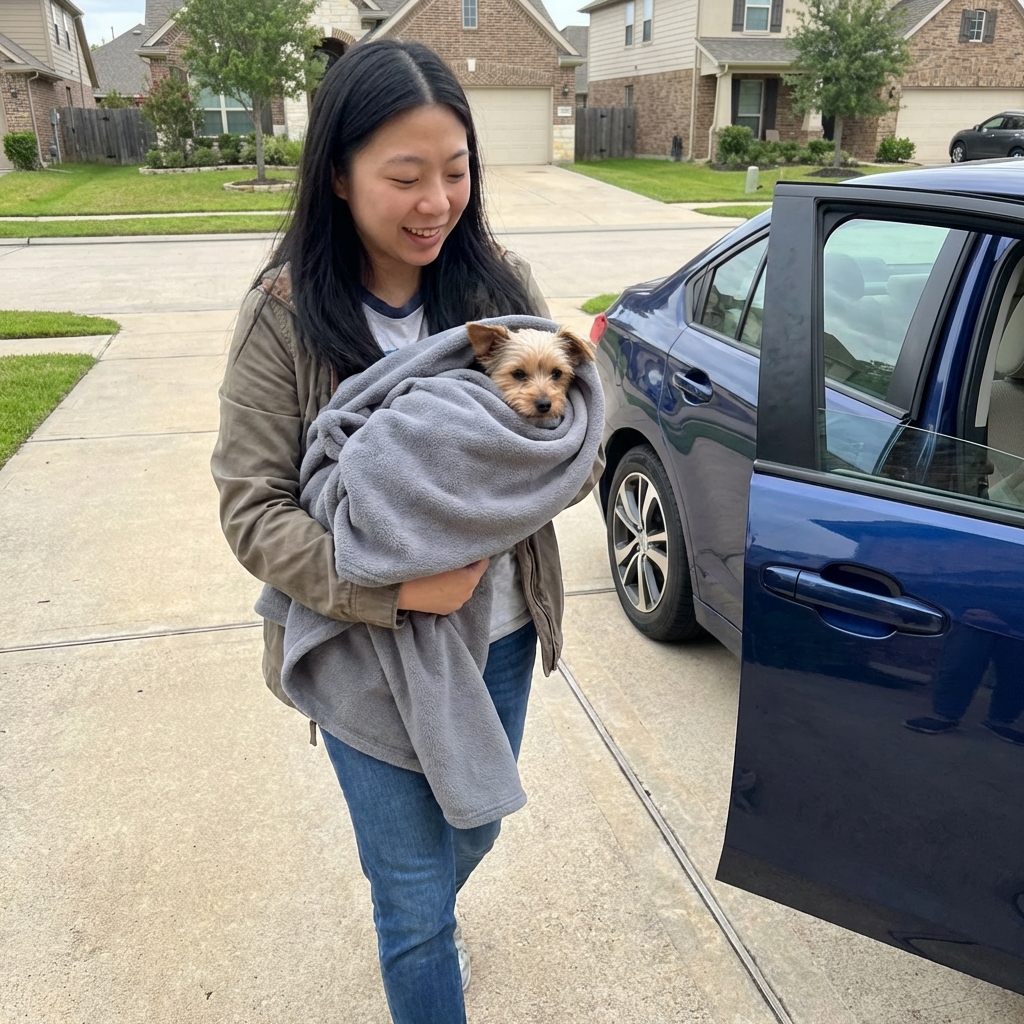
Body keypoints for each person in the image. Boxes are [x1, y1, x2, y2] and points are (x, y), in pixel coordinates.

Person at [211, 40, 602, 1024]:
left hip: (499, 632)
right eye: (405, 176)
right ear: (339, 176)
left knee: (472, 831)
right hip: (362, 645)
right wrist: (390, 587)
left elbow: (562, 440)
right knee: (415, 904)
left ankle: (423, 911)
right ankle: (420, 940)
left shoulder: (496, 288)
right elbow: (252, 506)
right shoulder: (285, 316)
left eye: (457, 171)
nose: (437, 201)